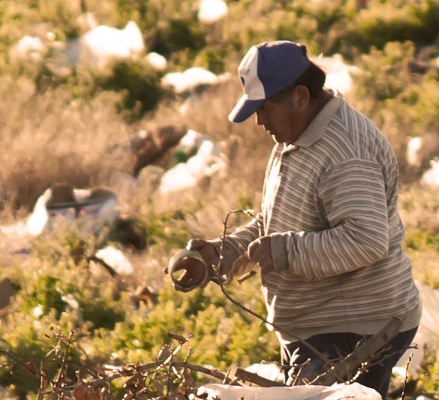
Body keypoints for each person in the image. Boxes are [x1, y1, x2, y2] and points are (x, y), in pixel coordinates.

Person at [168, 40, 421, 399]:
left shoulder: (346, 152)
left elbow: (366, 239)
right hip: (318, 325)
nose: (259, 120)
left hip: (353, 326)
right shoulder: (298, 134)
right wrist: (221, 254)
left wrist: (284, 251)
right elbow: (281, 223)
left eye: (265, 108)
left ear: (300, 97)